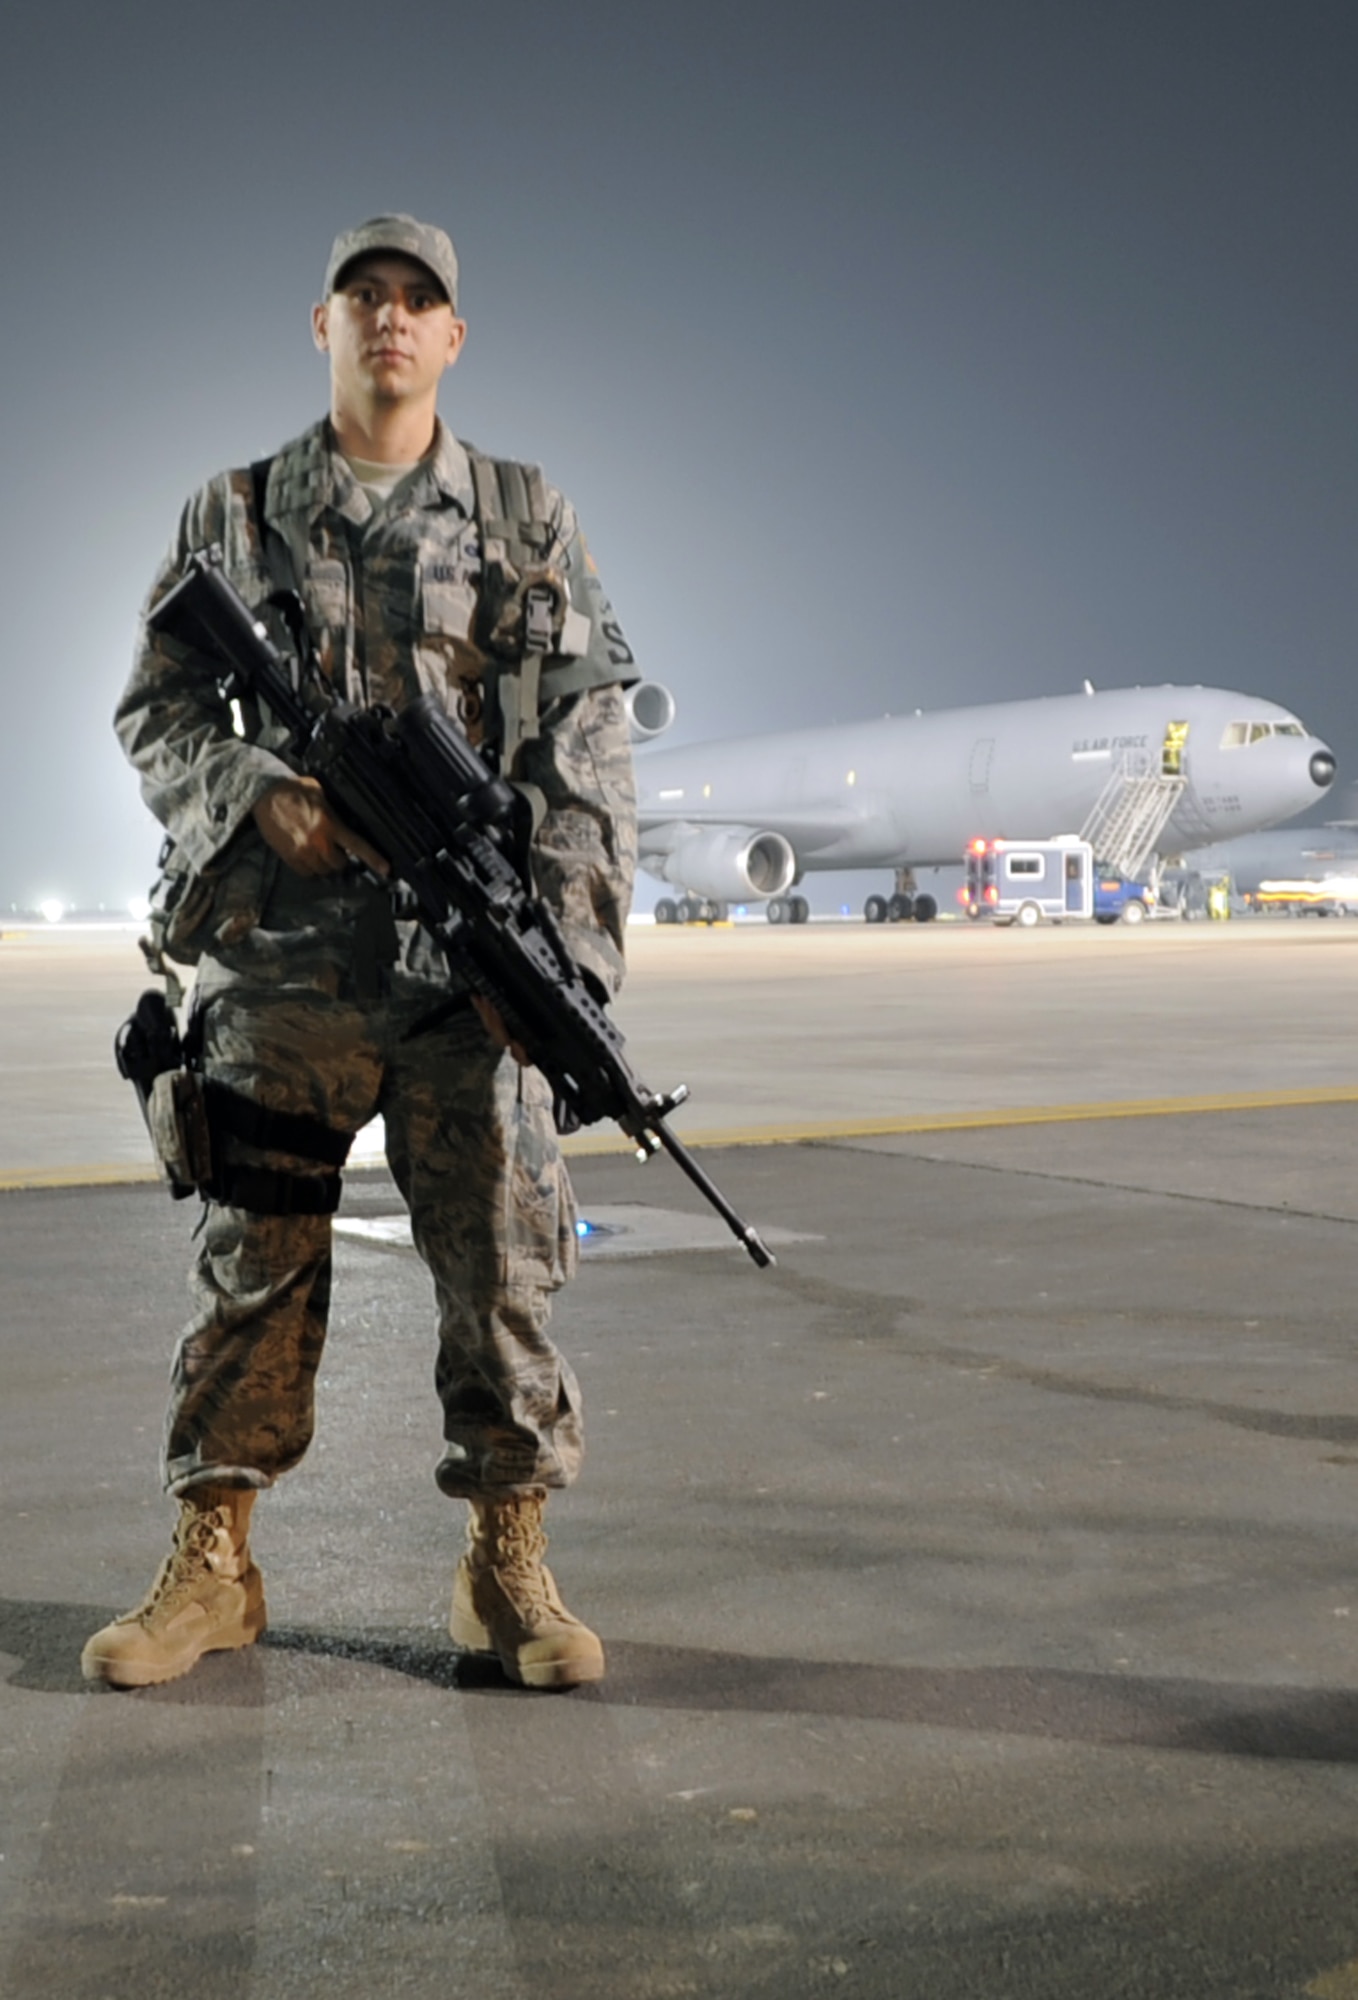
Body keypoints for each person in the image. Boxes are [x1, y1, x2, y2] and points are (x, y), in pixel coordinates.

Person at [83, 214, 638, 1693]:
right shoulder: (238, 510)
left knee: (502, 1268)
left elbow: (585, 746)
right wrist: (259, 792)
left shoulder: (525, 515)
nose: (390, 321)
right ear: (319, 326)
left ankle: (504, 1565)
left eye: (418, 303)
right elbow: (159, 709)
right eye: (363, 299)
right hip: (279, 964)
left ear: (453, 337)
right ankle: (215, 1566)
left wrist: (562, 971)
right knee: (251, 1261)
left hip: (463, 974)